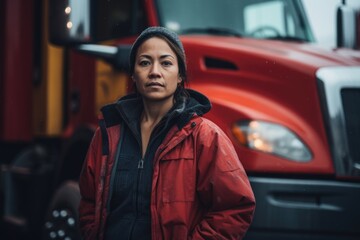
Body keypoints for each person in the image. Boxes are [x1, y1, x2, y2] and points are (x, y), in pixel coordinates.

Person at [78, 26, 255, 240]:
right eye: (144, 62)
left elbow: (235, 208)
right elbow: (89, 202)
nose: (154, 71)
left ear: (180, 75)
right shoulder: (107, 134)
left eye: (166, 63)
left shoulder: (204, 137)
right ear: (133, 74)